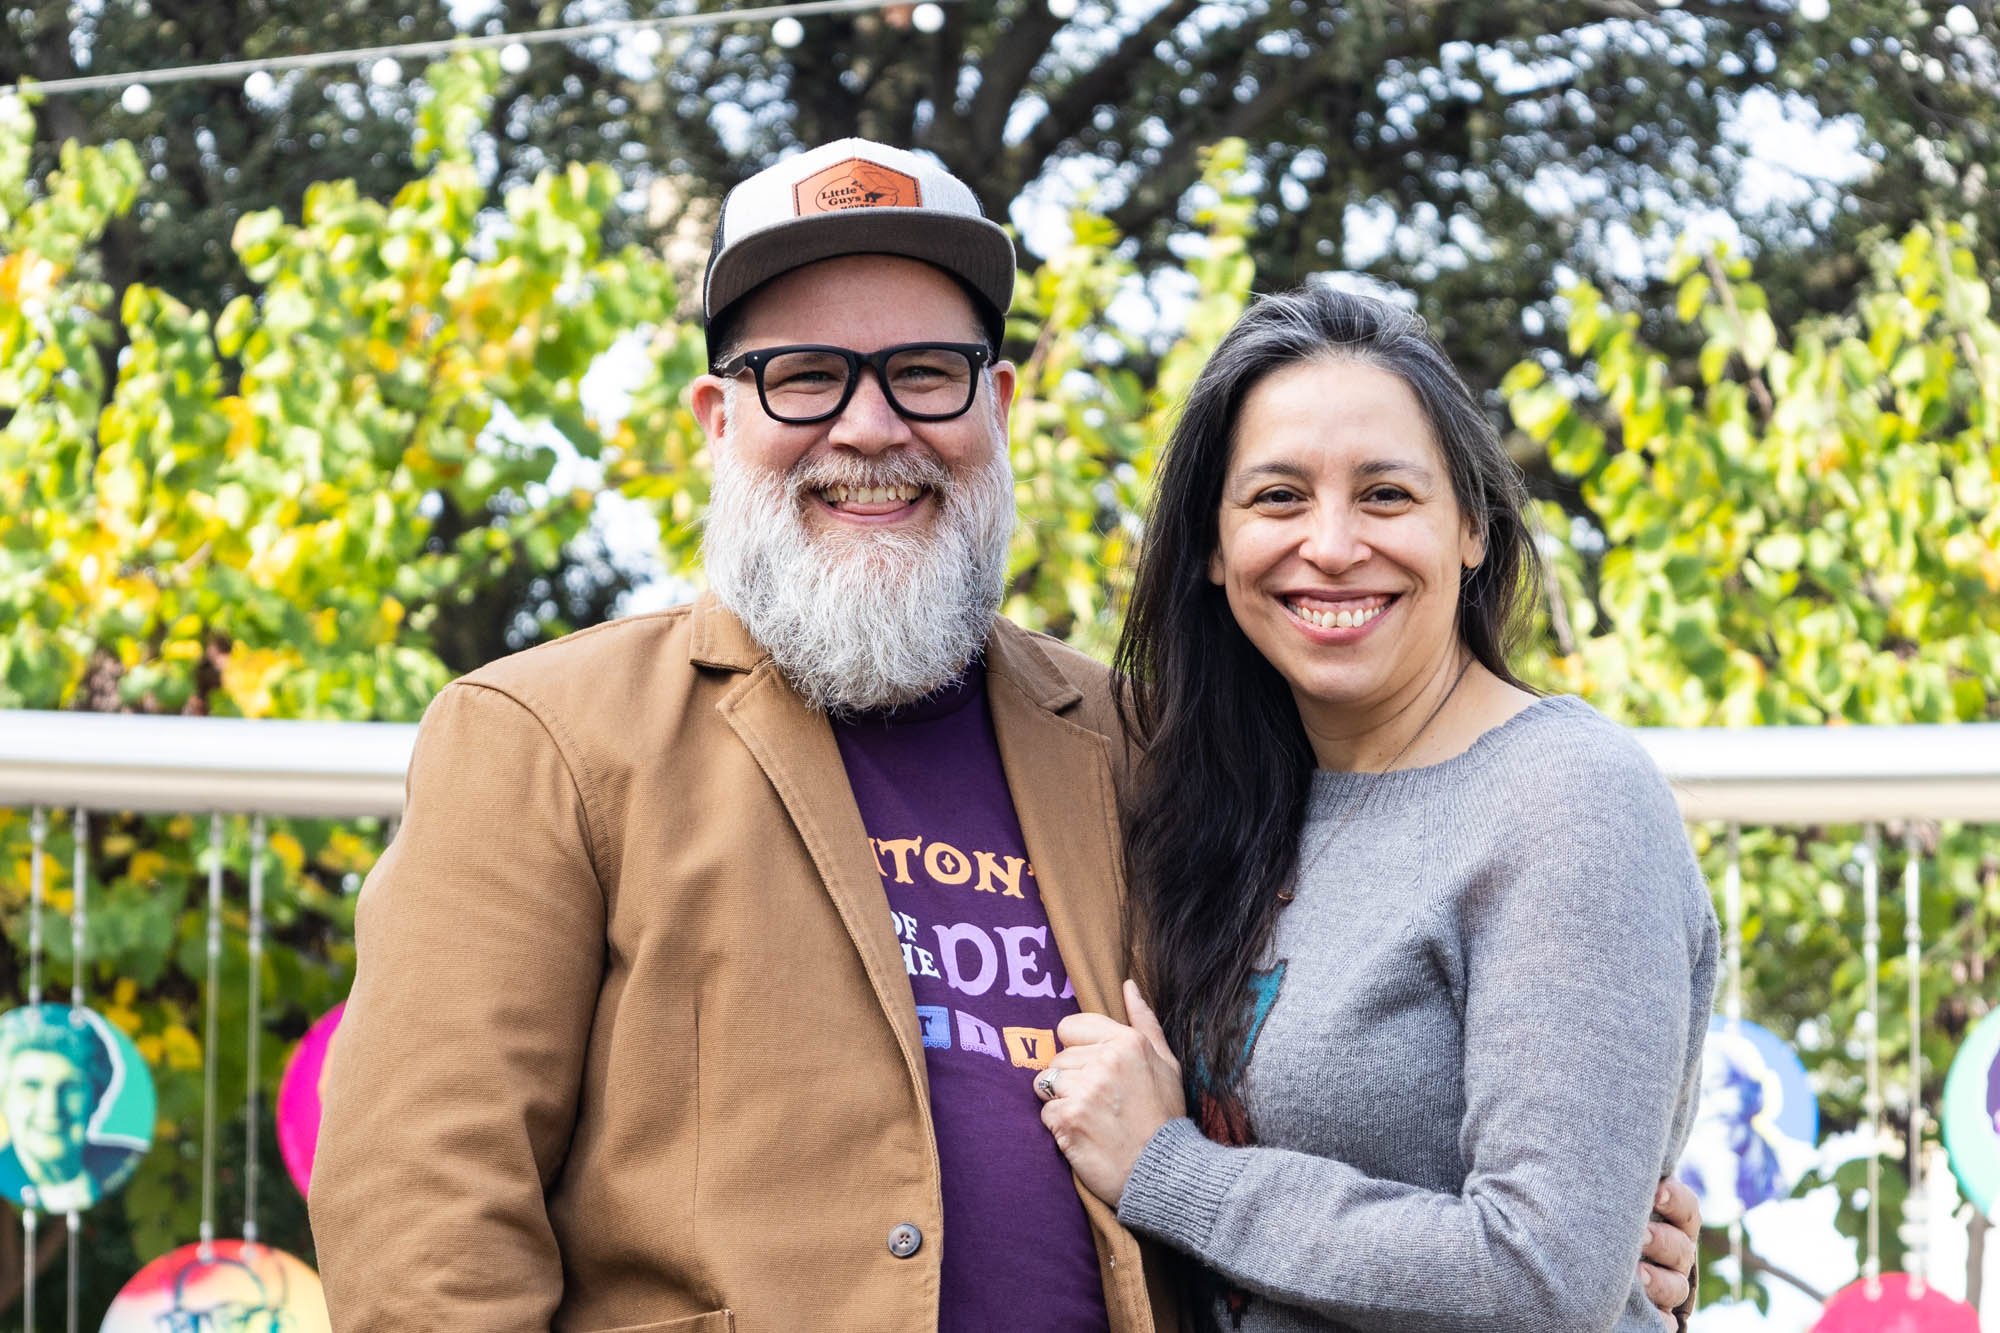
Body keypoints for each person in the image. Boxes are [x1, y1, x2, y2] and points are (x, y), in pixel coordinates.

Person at [309, 140, 1703, 1331]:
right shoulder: (545, 739)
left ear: (996, 407)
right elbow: (430, 1226)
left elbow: (1275, 1102)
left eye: (926, 372)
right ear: (716, 417)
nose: (870, 427)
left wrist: (1568, 1250)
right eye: (804, 376)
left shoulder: (1133, 745)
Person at [1032, 285, 1721, 1331]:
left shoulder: (1565, 801)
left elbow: (1539, 1276)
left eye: (1386, 495)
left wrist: (1171, 1172)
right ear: (1213, 548)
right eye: (1275, 498)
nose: (1332, 543)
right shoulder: (1225, 798)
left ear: (1472, 530)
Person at [0, 1004, 145, 1212]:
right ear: (3, 1097)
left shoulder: (122, 1162)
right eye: (31, 1086)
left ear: (96, 1097)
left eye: (70, 1088)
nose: (50, 1107)